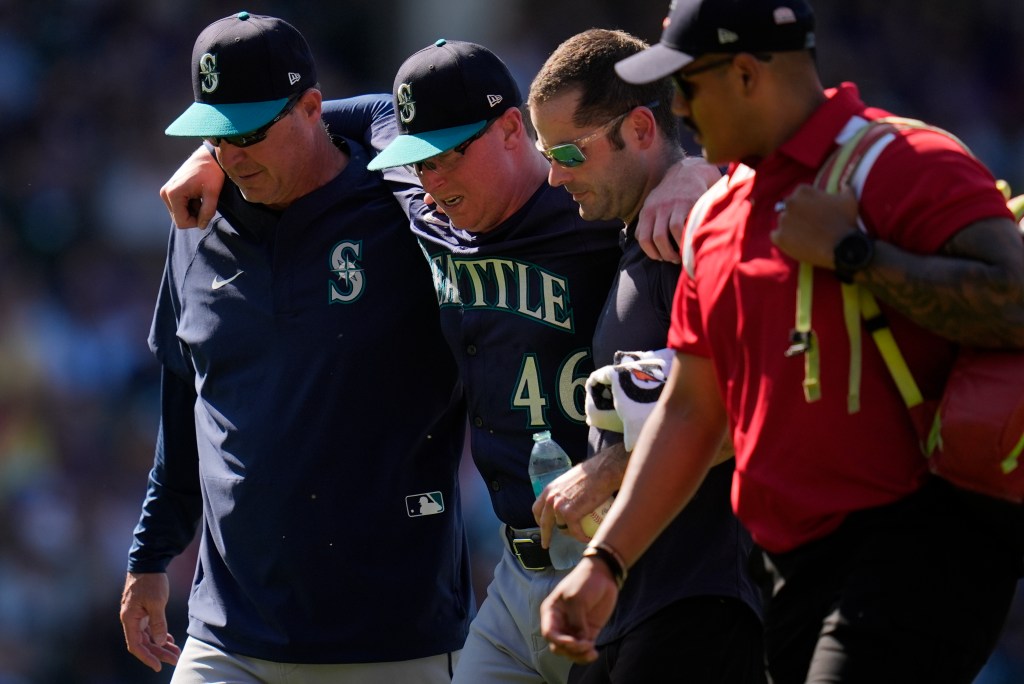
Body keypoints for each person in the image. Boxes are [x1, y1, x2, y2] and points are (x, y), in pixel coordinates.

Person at [158, 37, 719, 684]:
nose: (433, 178)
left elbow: (720, 378)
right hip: (519, 569)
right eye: (418, 160)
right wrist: (213, 149)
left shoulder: (593, 205)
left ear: (514, 130)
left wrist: (691, 172)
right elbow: (346, 112)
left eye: (449, 155)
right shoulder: (420, 201)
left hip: (635, 552)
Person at [538, 0, 1024, 682]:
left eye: (687, 84)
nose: (676, 107)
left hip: (919, 536)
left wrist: (856, 255)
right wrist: (606, 562)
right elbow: (691, 412)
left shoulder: (902, 159)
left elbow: (1013, 299)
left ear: (745, 73)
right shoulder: (715, 218)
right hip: (785, 568)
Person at [118, 13, 474, 684]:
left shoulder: (400, 202)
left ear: (312, 108)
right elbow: (184, 404)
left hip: (392, 636)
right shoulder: (193, 223)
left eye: (250, 133)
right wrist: (149, 558)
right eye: (215, 137)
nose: (233, 155)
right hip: (230, 633)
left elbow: (410, 116)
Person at [526, 28, 764, 683]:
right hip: (625, 600)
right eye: (546, 154)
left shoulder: (698, 229)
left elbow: (754, 399)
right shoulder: (635, 235)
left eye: (568, 151)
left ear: (639, 128)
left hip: (704, 600)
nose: (553, 174)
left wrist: (607, 472)